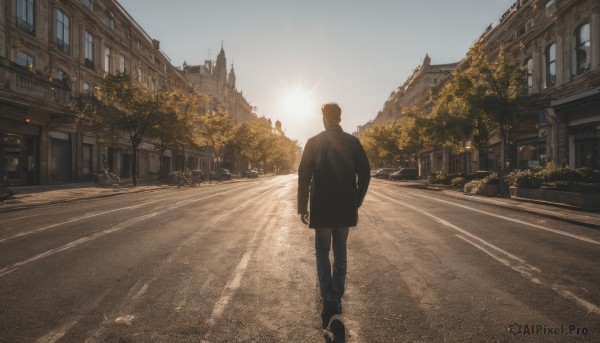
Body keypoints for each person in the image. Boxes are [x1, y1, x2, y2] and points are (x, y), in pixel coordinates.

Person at [297, 103, 371, 338]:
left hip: (322, 207)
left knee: (321, 252)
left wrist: (302, 207)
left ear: (324, 119)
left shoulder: (313, 142)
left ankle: (328, 301)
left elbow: (304, 176)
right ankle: (336, 299)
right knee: (340, 252)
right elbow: (366, 174)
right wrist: (356, 201)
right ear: (340, 117)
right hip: (344, 208)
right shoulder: (352, 142)